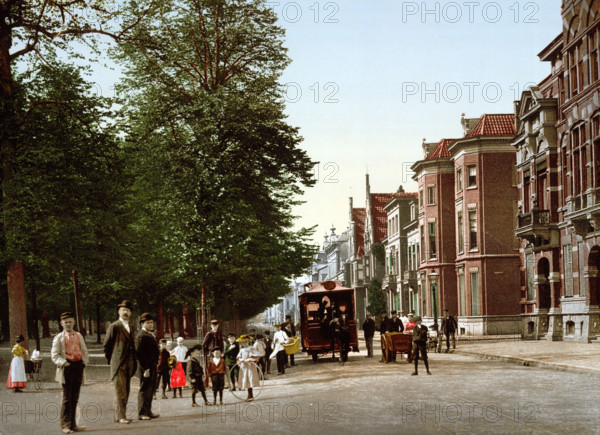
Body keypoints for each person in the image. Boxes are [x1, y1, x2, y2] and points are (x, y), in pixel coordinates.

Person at [51, 312, 89, 434]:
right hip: (67, 367)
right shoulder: (59, 337)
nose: (68, 324)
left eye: (70, 321)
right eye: (65, 322)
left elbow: (84, 351)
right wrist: (64, 363)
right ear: (62, 323)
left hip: (78, 367)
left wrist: (84, 363)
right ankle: (65, 425)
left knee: (75, 397)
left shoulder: (79, 336)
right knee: (67, 398)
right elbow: (55, 355)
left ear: (74, 322)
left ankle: (74, 424)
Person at [103, 300, 137, 424]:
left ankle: (122, 415)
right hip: (118, 363)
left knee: (126, 390)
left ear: (130, 312)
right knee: (120, 390)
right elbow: (107, 345)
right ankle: (121, 416)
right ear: (119, 311)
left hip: (129, 363)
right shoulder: (114, 326)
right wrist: (112, 360)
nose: (125, 312)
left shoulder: (131, 326)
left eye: (128, 310)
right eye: (123, 310)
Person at [136, 313, 160, 420]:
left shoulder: (148, 335)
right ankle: (142, 413)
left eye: (151, 322)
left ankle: (148, 411)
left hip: (152, 366)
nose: (151, 324)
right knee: (144, 389)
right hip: (146, 367)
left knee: (151, 389)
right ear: (142, 324)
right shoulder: (141, 335)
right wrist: (145, 368)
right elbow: (139, 354)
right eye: (148, 323)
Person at [236, 335, 262, 401]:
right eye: (242, 342)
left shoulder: (251, 348)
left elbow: (257, 356)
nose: (244, 344)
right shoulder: (241, 350)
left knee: (250, 379)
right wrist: (241, 360)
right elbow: (238, 357)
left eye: (245, 342)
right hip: (244, 367)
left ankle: (251, 395)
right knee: (245, 379)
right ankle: (249, 395)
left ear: (248, 342)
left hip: (250, 366)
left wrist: (250, 359)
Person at [203, 319, 224, 387]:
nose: (214, 327)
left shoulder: (219, 333)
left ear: (218, 325)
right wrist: (209, 351)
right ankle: (211, 383)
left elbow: (221, 343)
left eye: (216, 325)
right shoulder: (209, 334)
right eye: (213, 325)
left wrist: (222, 351)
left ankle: (218, 383)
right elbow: (204, 344)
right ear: (211, 326)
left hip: (218, 353)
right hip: (212, 353)